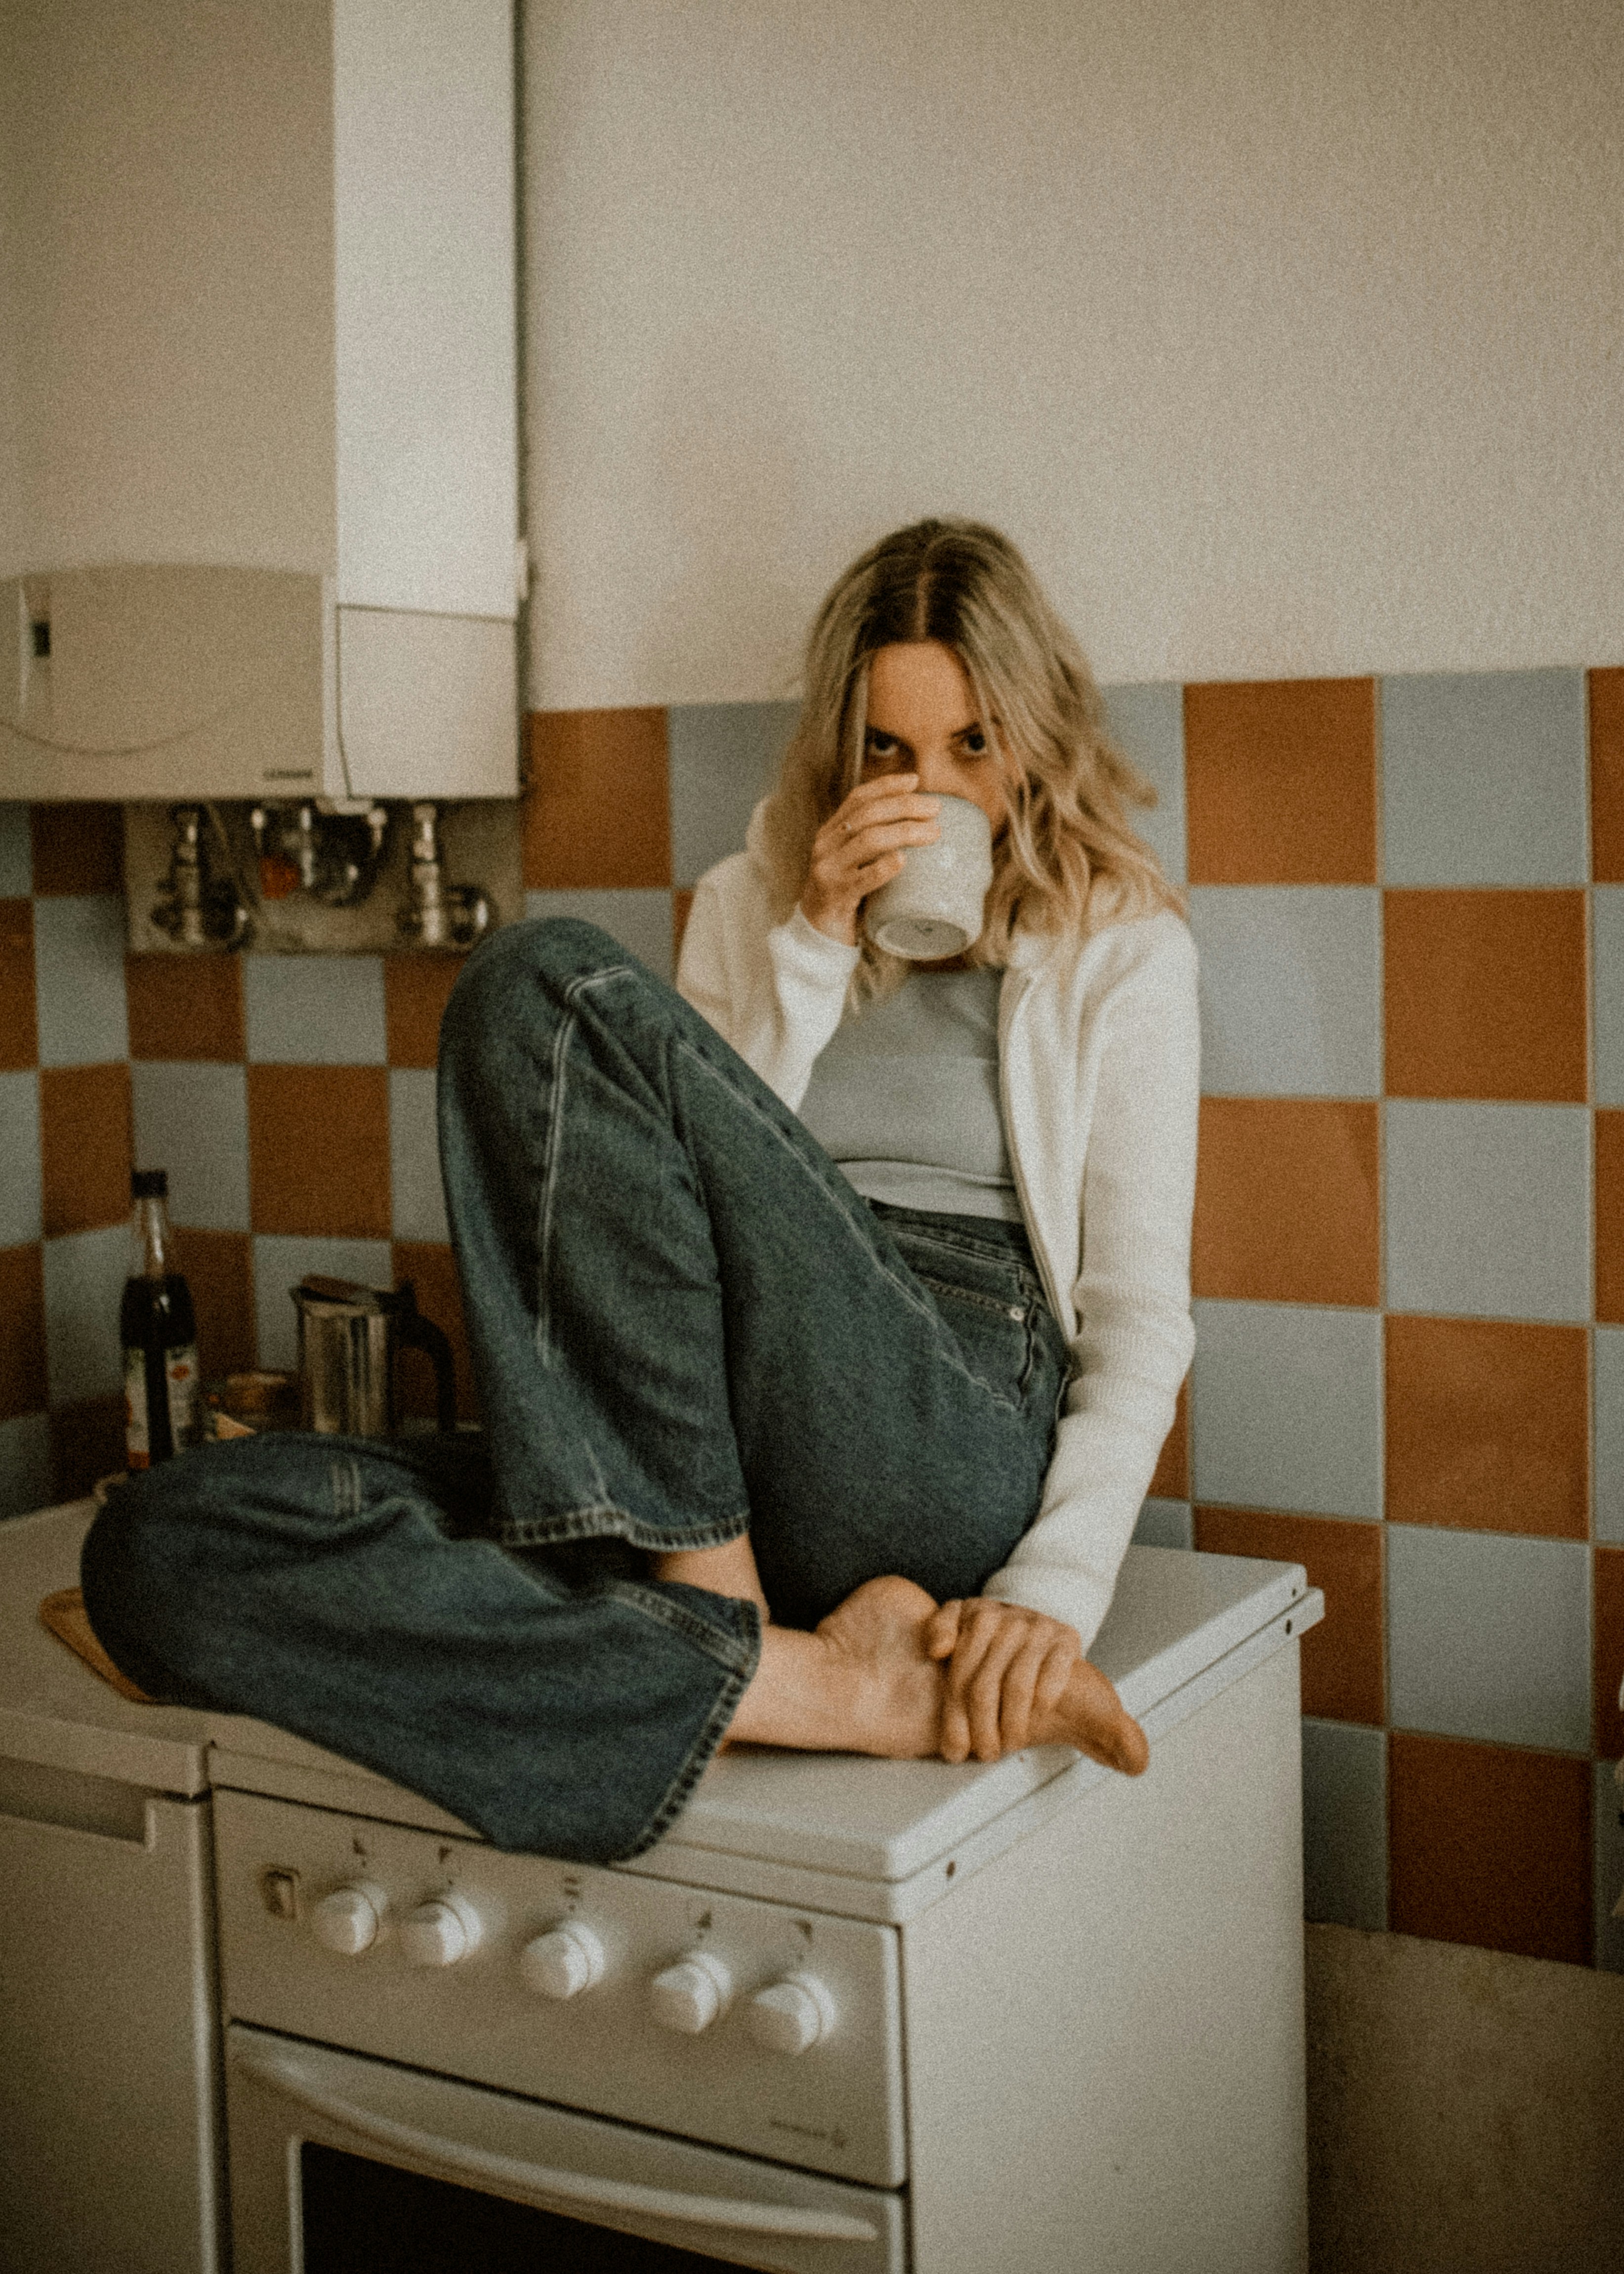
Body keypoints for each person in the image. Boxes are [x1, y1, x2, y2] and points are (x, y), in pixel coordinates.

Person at [81, 518, 1198, 1866]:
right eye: (888, 751)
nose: (932, 790)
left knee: (537, 983)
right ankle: (798, 1674)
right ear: (839, 755)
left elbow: (1137, 1322)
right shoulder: (752, 902)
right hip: (702, 1454)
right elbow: (671, 1210)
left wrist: (1050, 1596)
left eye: (972, 745)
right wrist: (810, 946)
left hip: (936, 1422)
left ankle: (699, 1605)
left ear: (1034, 736)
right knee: (160, 1548)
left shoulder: (1119, 941)